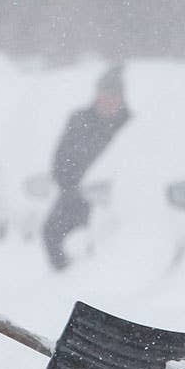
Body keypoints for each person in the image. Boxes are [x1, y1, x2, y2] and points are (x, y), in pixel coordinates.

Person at [43, 63, 131, 271]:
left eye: (113, 98)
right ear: (97, 95)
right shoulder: (80, 121)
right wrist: (72, 187)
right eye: (104, 96)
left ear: (121, 98)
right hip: (75, 195)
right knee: (51, 232)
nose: (108, 102)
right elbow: (60, 161)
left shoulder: (128, 125)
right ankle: (66, 277)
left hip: (115, 198)